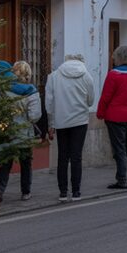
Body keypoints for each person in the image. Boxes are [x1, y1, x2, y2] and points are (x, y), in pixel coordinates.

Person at [0, 60, 41, 208]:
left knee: (5, 165)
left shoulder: (0, 89)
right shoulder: (30, 90)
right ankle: (26, 192)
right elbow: (34, 116)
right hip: (24, 133)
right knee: (26, 163)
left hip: (6, 132)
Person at [45, 53, 95, 202]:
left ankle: (62, 192)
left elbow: (49, 103)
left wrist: (51, 124)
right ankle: (76, 192)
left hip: (61, 121)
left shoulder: (53, 76)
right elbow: (91, 101)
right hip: (80, 121)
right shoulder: (87, 76)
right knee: (76, 157)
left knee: (62, 156)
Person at [97, 45, 127, 190]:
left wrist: (100, 113)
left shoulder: (114, 75)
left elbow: (106, 97)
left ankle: (121, 179)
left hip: (115, 116)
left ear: (119, 58)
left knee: (119, 149)